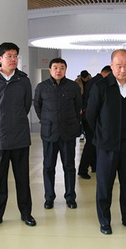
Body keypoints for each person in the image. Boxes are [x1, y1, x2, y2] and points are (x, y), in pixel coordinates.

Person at [0, 42, 34, 230]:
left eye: (15, 56)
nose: (13, 59)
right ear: (0, 58)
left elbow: (26, 106)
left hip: (20, 136)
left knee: (22, 179)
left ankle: (26, 214)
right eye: (9, 56)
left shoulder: (23, 81)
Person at [85, 50, 126, 235]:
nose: (123, 70)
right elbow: (90, 115)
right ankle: (105, 221)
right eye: (119, 66)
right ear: (111, 66)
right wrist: (102, 136)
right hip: (106, 145)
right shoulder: (100, 86)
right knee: (104, 186)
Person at [34, 58, 82, 209]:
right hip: (49, 133)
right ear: (50, 69)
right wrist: (47, 120)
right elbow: (37, 106)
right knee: (48, 167)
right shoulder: (42, 87)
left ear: (65, 69)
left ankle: (70, 197)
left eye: (62, 67)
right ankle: (49, 198)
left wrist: (72, 122)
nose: (58, 70)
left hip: (68, 133)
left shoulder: (73, 86)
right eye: (55, 67)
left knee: (69, 166)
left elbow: (78, 107)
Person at [78, 65, 111, 180]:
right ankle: (83, 169)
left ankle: (94, 166)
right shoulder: (99, 83)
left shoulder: (93, 81)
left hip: (88, 117)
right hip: (91, 118)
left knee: (93, 143)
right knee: (91, 144)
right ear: (107, 73)